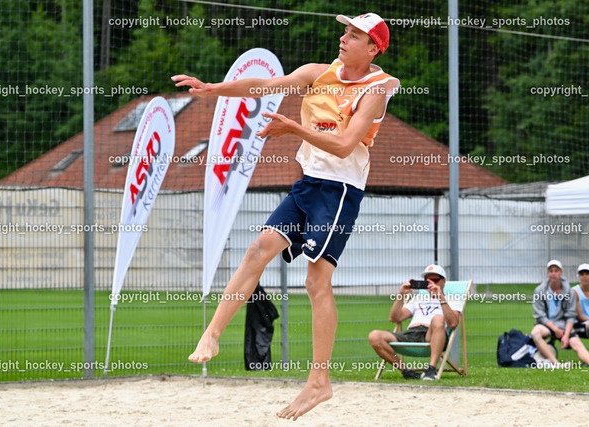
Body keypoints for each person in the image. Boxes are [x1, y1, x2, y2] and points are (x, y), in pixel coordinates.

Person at [172, 13, 399, 420]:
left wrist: (293, 129)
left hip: (340, 191)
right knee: (259, 248)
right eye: (345, 31)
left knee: (316, 281)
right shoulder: (316, 73)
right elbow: (263, 86)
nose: (343, 38)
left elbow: (345, 145)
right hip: (309, 184)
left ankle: (319, 382)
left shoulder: (376, 90)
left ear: (373, 49)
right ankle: (212, 334)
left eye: (354, 35)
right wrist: (212, 89)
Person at [368, 264, 461, 380]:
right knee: (374, 336)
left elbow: (453, 323)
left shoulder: (452, 299)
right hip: (411, 333)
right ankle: (406, 372)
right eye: (427, 281)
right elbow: (394, 318)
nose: (431, 283)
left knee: (438, 318)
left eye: (435, 280)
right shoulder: (418, 299)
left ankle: (431, 370)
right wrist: (401, 295)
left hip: (431, 334)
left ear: (444, 281)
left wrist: (440, 297)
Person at [530, 260, 589, 367]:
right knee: (535, 332)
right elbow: (540, 315)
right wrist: (555, 329)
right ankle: (556, 363)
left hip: (564, 326)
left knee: (577, 344)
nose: (554, 274)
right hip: (547, 325)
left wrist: (566, 335)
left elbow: (571, 315)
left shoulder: (568, 291)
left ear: (561, 272)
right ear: (548, 273)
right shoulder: (539, 291)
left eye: (556, 271)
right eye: (551, 271)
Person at [572, 263, 589, 339]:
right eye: (582, 274)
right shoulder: (574, 292)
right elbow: (579, 316)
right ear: (579, 277)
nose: (585, 277)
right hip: (579, 324)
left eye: (587, 274)